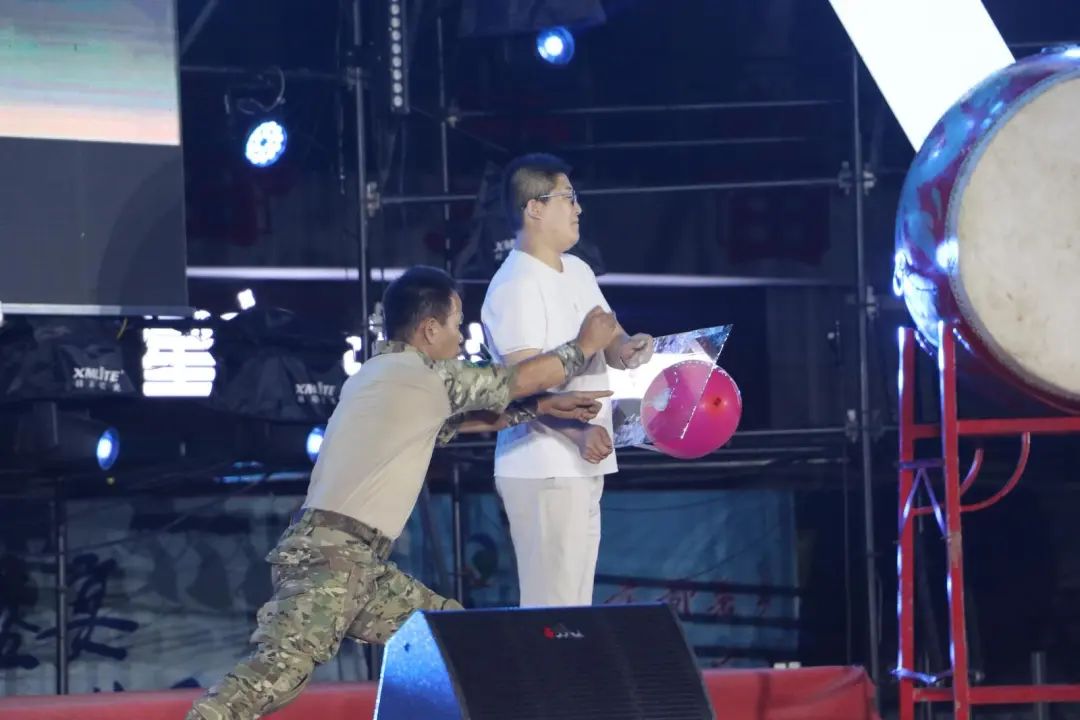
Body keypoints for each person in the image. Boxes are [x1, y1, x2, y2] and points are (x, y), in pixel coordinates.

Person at [187, 265, 619, 720]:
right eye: (456, 324)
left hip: (358, 564)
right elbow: (517, 378)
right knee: (274, 674)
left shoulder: (385, 375)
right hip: (331, 562)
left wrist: (540, 407)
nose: (460, 338)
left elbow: (464, 420)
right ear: (430, 329)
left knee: (460, 640)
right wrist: (583, 347)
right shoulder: (421, 374)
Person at [481, 153, 654, 608]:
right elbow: (518, 384)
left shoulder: (577, 270)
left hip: (584, 460)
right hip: (542, 465)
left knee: (575, 609)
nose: (579, 208)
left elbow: (610, 338)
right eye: (568, 197)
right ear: (534, 208)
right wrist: (575, 432)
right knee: (551, 610)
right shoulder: (515, 285)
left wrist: (629, 347)